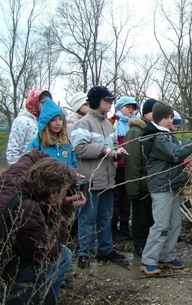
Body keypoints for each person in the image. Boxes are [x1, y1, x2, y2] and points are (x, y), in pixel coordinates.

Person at [0, 150, 86, 303]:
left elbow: (35, 154)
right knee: (63, 256)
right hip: (5, 267)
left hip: (6, 246)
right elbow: (50, 251)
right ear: (52, 192)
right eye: (63, 191)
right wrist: (66, 208)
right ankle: (40, 297)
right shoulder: (27, 209)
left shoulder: (14, 176)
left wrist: (68, 173)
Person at [139, 102, 192, 275]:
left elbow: (177, 150)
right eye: (166, 118)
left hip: (172, 185)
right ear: (157, 118)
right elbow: (176, 153)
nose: (170, 121)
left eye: (171, 117)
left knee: (175, 222)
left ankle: (166, 256)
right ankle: (149, 260)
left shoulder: (166, 134)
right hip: (161, 186)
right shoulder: (156, 137)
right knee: (161, 224)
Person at [71, 86, 127, 269]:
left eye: (111, 101)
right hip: (91, 181)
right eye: (107, 100)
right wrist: (103, 149)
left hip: (108, 181)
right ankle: (84, 254)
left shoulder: (108, 125)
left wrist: (118, 153)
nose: (110, 103)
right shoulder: (83, 124)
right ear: (97, 101)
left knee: (106, 217)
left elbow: (110, 149)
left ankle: (105, 250)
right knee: (87, 218)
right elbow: (78, 149)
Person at [124, 98, 157, 256]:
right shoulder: (136, 131)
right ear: (146, 113)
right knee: (139, 218)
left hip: (152, 183)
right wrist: (133, 188)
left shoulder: (153, 129)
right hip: (140, 183)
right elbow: (133, 161)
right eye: (154, 111)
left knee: (150, 217)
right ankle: (139, 244)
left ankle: (149, 245)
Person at [112, 96, 139, 241]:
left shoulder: (134, 125)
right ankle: (113, 227)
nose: (131, 109)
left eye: (133, 107)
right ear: (120, 107)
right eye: (128, 106)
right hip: (117, 166)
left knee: (127, 198)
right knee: (116, 198)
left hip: (129, 166)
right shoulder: (114, 122)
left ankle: (124, 225)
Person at [26, 98, 77, 169]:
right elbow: (28, 166)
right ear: (46, 123)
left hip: (67, 179)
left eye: (60, 119)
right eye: (53, 120)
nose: (58, 123)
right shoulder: (36, 144)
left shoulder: (66, 143)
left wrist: (73, 175)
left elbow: (74, 165)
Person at [6, 89, 52, 165]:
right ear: (34, 102)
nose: (46, 106)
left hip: (40, 171)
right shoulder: (22, 121)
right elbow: (12, 151)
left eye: (48, 103)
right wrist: (17, 171)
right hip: (24, 170)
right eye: (42, 102)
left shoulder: (45, 122)